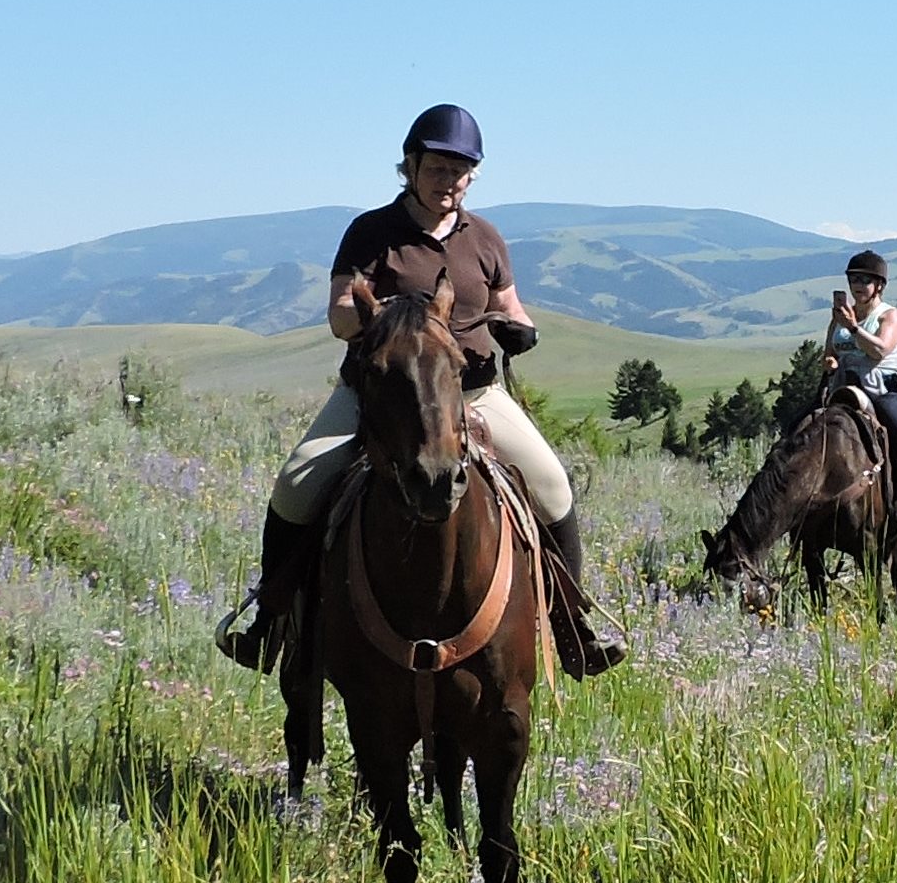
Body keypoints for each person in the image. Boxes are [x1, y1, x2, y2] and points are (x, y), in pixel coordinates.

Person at [218, 104, 623, 676]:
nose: (449, 183)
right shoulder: (371, 233)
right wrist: (385, 321)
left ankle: (573, 628)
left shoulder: (484, 238)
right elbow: (339, 311)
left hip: (473, 394)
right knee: (296, 483)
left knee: (553, 485)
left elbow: (508, 305)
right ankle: (268, 624)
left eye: (460, 172)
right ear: (410, 167)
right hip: (381, 396)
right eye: (437, 170)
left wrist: (523, 329)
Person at [821, 248, 897, 514]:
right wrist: (830, 362)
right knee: (801, 425)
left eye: (865, 280)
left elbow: (880, 349)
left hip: (884, 387)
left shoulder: (889, 316)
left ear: (879, 286)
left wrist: (853, 327)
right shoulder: (840, 317)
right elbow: (830, 351)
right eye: (854, 280)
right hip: (845, 386)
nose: (858, 286)